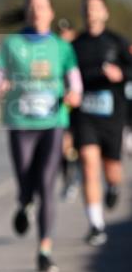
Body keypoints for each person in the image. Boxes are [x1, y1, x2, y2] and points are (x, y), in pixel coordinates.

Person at [0, 0, 82, 272]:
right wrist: (0, 84)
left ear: (51, 13)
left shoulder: (61, 47)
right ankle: (24, 201)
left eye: (42, 7)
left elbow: (74, 79)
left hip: (53, 122)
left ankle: (44, 249)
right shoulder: (12, 43)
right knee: (25, 178)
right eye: (31, 7)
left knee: (46, 184)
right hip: (20, 122)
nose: (36, 11)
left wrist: (74, 94)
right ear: (27, 12)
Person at [71, 0, 132, 245]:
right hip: (84, 114)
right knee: (87, 162)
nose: (91, 12)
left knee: (112, 168)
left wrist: (122, 73)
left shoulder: (117, 42)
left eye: (96, 8)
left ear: (105, 13)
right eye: (87, 8)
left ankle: (113, 186)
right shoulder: (75, 45)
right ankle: (96, 224)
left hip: (112, 113)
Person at [57, 19, 80, 201]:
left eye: (67, 33)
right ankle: (69, 180)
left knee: (77, 146)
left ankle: (76, 176)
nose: (63, 36)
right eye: (60, 33)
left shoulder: (79, 52)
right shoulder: (54, 52)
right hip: (62, 106)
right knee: (65, 146)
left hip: (81, 106)